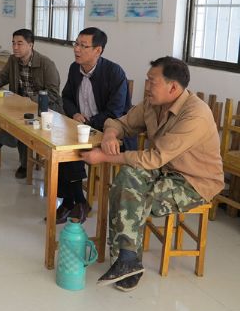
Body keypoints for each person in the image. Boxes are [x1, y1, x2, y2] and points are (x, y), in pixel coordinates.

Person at [80, 56, 223, 292]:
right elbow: (121, 123)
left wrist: (104, 157)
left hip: (194, 181)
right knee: (126, 178)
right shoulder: (153, 103)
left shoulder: (195, 114)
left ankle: (126, 260)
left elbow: (154, 157)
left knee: (133, 195)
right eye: (147, 80)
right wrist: (110, 135)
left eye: (152, 82)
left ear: (173, 87)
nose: (146, 87)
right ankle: (127, 259)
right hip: (165, 168)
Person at [56, 27, 133, 224]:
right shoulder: (75, 68)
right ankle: (76, 201)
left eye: (83, 46)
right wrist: (75, 113)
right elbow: (66, 97)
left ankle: (72, 202)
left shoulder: (114, 73)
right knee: (59, 146)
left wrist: (89, 123)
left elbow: (116, 112)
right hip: (83, 127)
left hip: (111, 132)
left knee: (73, 149)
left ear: (98, 50)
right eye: (76, 44)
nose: (77, 49)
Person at [0, 28, 63, 179]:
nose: (15, 47)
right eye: (13, 43)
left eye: (19, 43)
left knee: (21, 123)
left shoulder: (46, 64)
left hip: (45, 109)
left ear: (31, 45)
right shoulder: (13, 60)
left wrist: (31, 100)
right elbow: (3, 77)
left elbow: (53, 94)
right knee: (12, 118)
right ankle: (23, 163)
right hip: (22, 106)